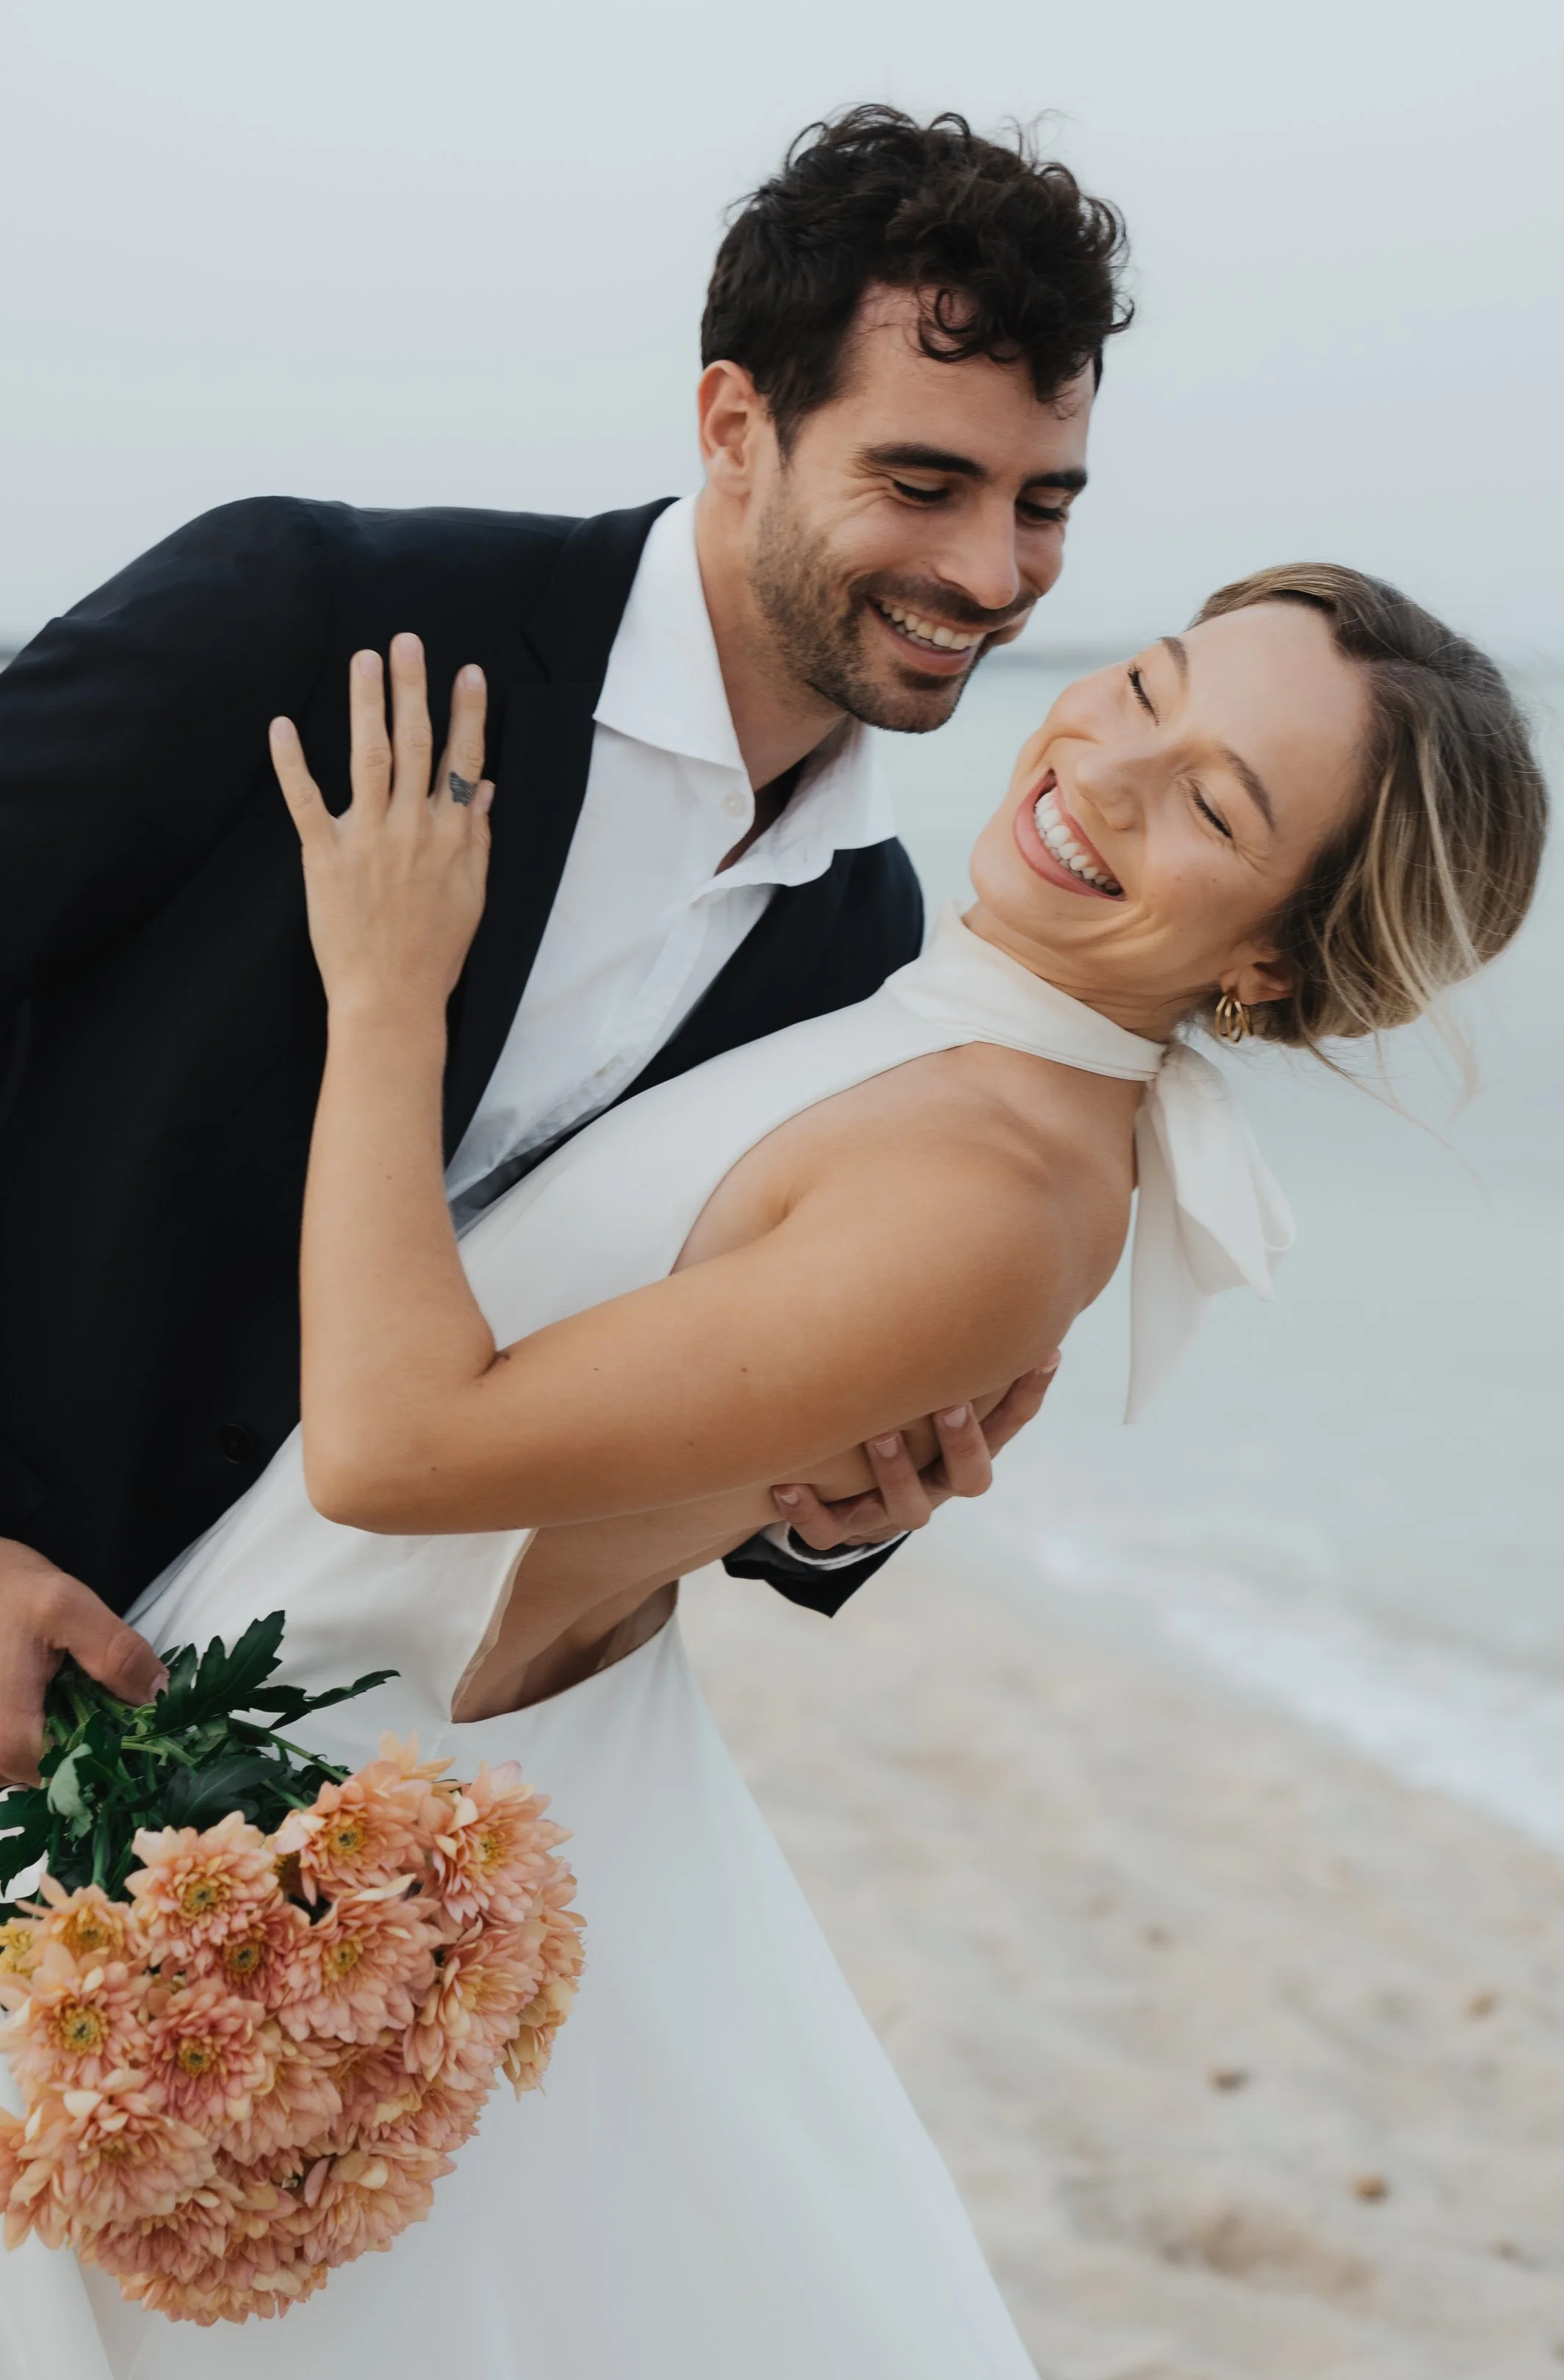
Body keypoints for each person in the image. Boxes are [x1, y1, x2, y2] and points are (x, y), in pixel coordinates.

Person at [35, 563, 1543, 2371]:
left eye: (1216, 803)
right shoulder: (926, 1017)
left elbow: (391, 1444)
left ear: (1275, 962)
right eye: (1144, 687)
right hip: (285, 1742)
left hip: (326, 1805)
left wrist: (387, 985)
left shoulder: (998, 1183)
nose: (1110, 767)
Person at [0, 107, 1132, 1789]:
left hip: (254, 1763)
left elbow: (649, 1415)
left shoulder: (863, 935)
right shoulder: (312, 615)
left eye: (1042, 504)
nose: (990, 571)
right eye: (922, 483)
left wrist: (824, 1519)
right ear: (734, 422)